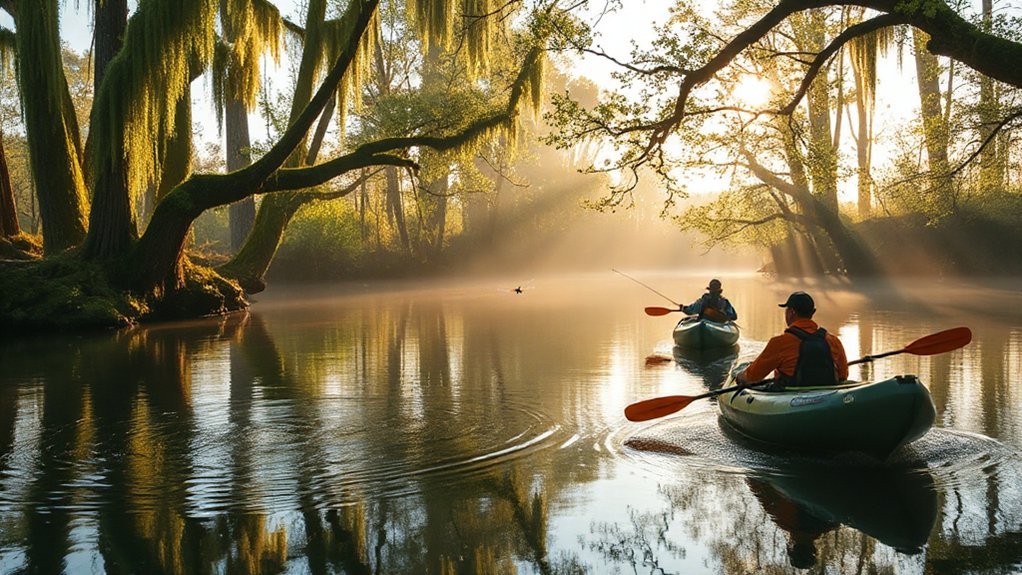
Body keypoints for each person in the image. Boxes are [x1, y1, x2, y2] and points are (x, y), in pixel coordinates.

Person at [735, 291, 848, 389]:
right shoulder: (833, 340)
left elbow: (752, 377)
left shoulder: (779, 343)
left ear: (791, 312)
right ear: (812, 313)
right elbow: (843, 375)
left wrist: (739, 377)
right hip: (827, 393)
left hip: (791, 395)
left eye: (787, 310)